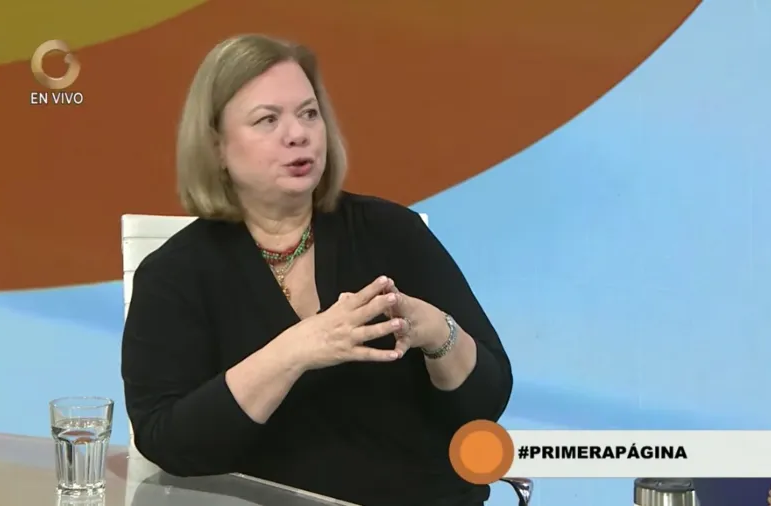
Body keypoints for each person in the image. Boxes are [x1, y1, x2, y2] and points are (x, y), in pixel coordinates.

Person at [121, 34, 513, 506]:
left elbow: (487, 402)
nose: (298, 134)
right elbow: (168, 442)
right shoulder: (175, 274)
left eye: (309, 113)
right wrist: (296, 351)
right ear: (216, 146)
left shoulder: (391, 232)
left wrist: (434, 330)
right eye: (268, 119)